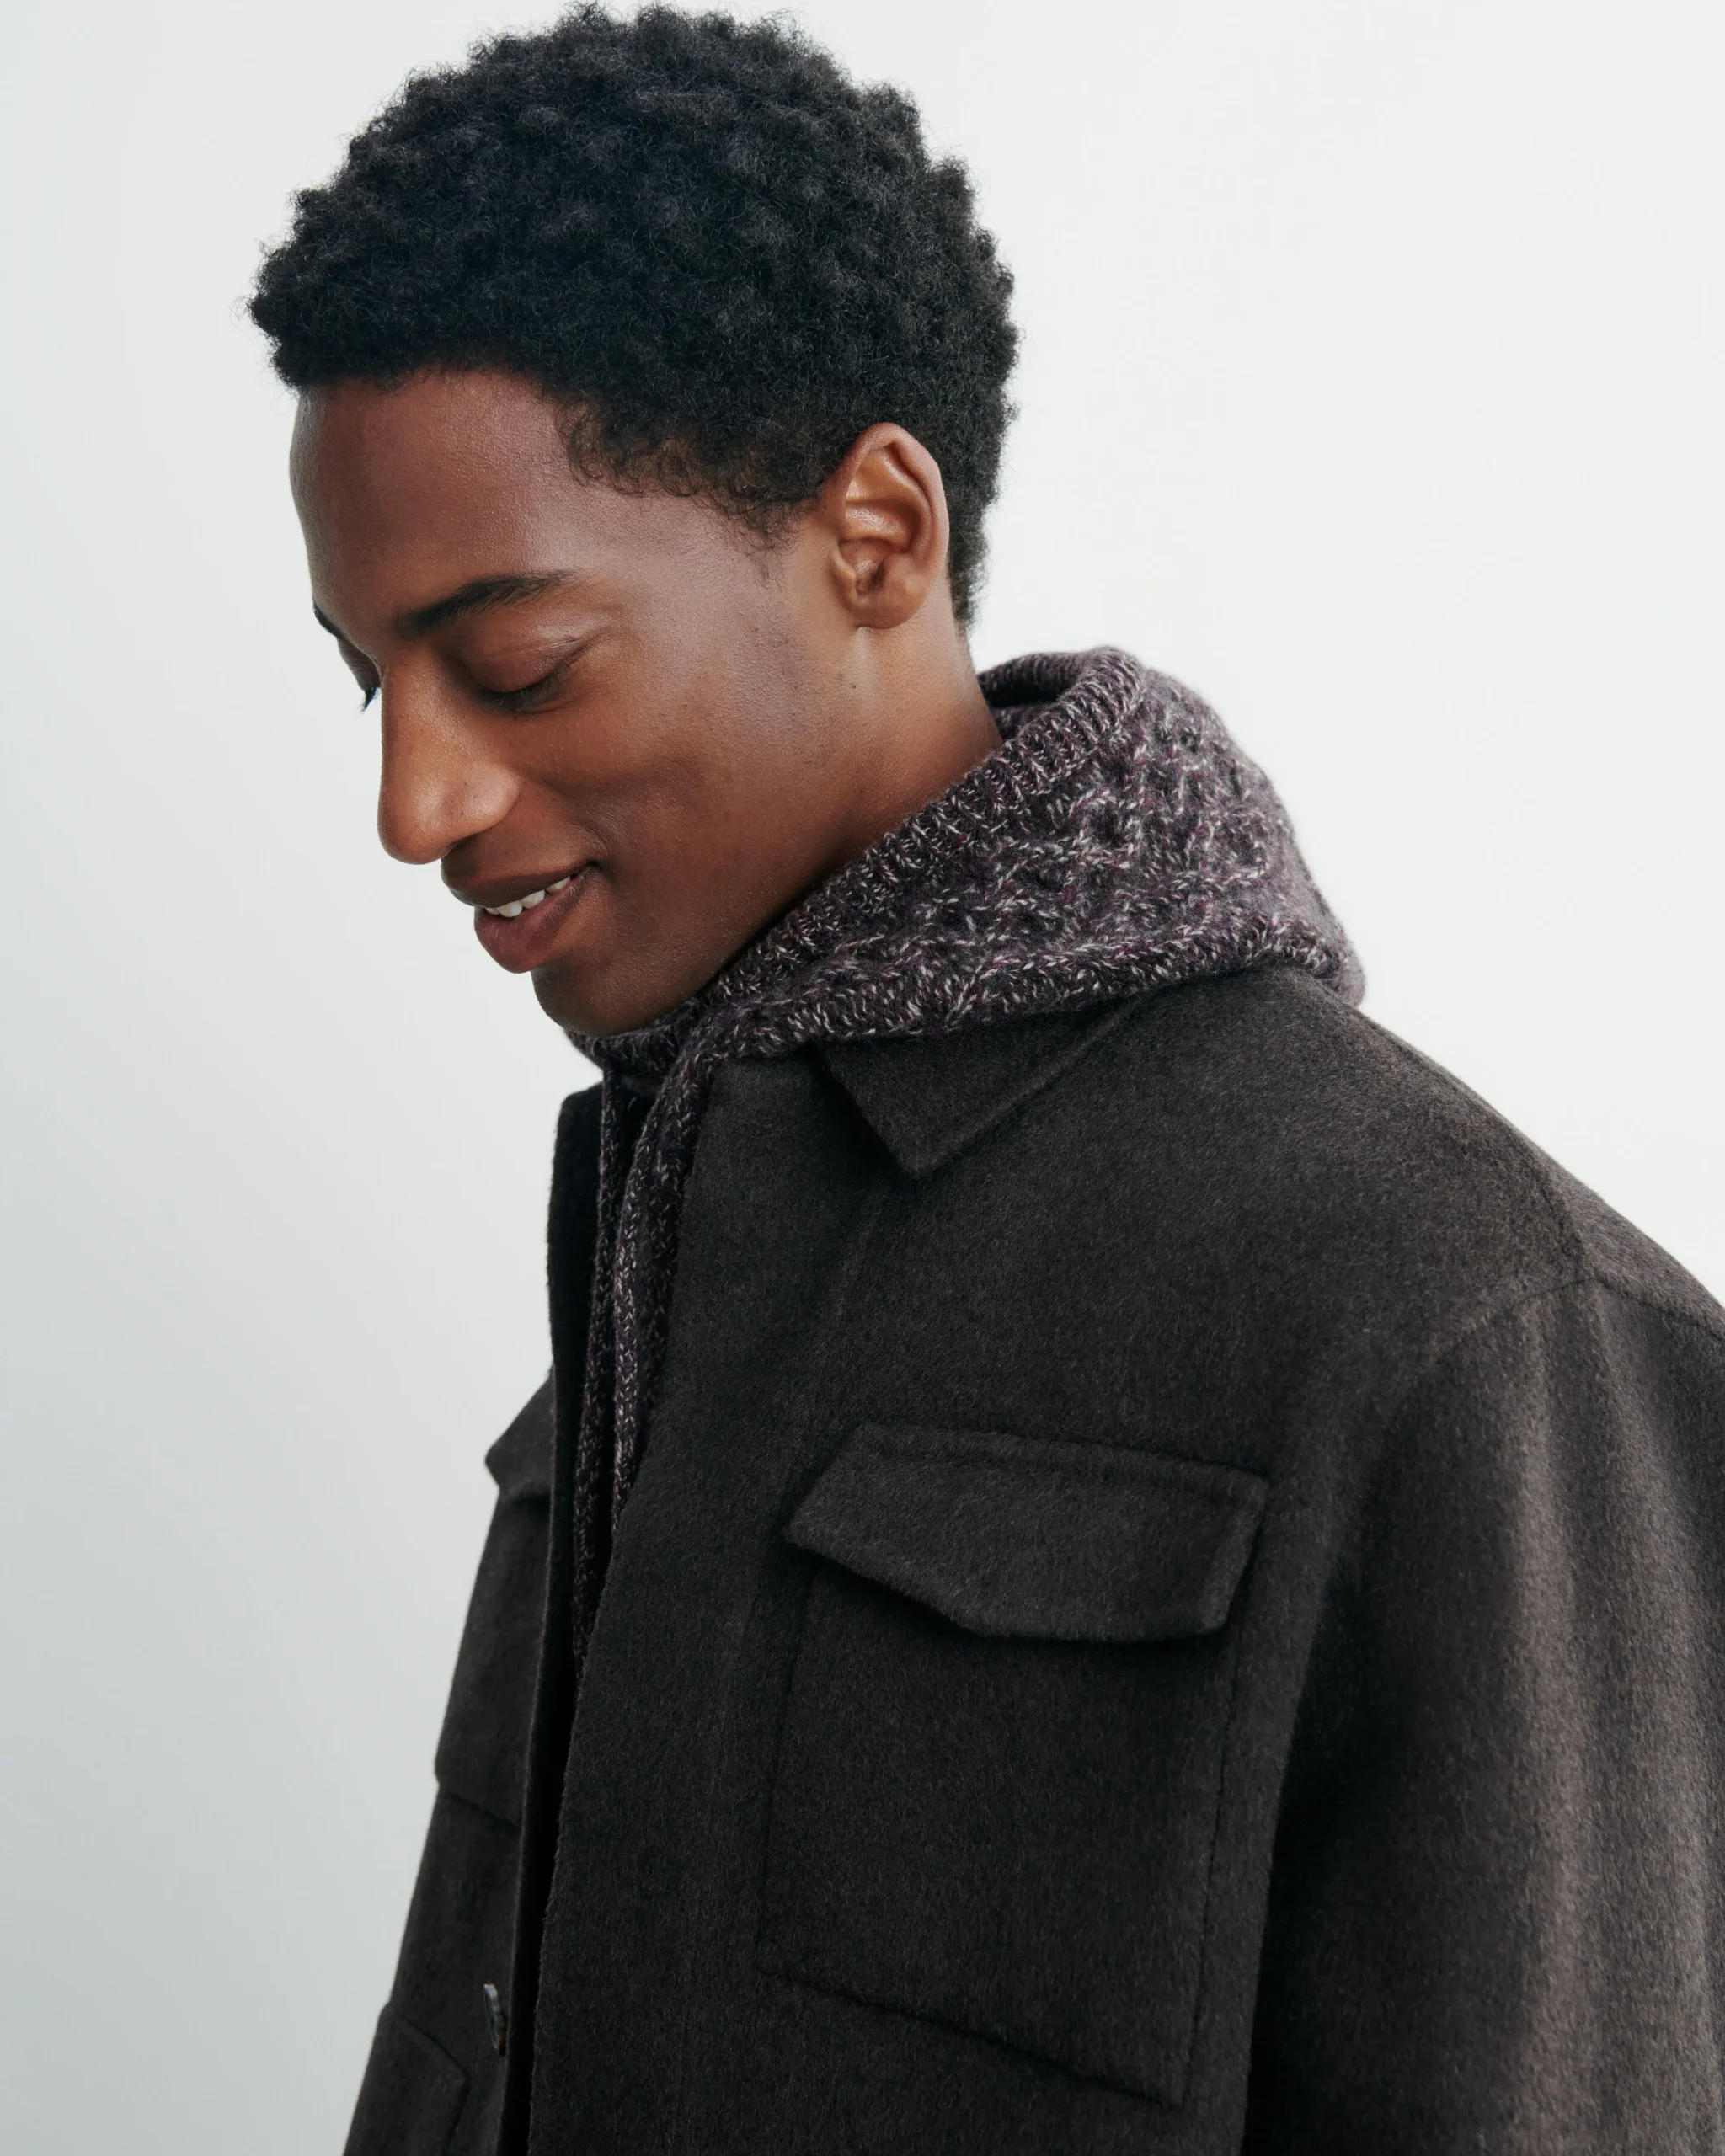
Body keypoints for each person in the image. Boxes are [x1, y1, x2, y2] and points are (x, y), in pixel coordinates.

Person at [252, 8, 1725, 2152]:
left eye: (517, 666)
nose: (414, 802)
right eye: (365, 679)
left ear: (875, 531)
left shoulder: (1465, 1311)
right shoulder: (687, 1221)